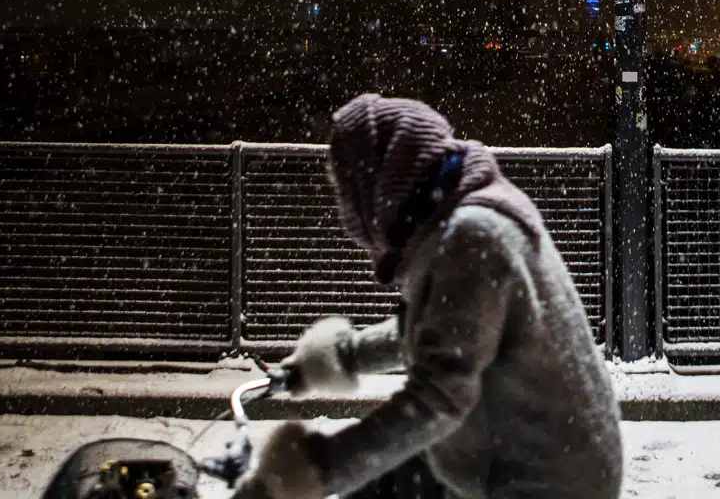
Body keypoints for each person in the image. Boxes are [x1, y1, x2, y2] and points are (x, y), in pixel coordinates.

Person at [235, 94, 624, 499]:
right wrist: (342, 357)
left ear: (378, 180)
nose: (344, 208)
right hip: (514, 456)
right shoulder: (460, 218)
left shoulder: (474, 238)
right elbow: (438, 330)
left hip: (539, 483)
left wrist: (311, 473)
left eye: (345, 188)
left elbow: (438, 397)